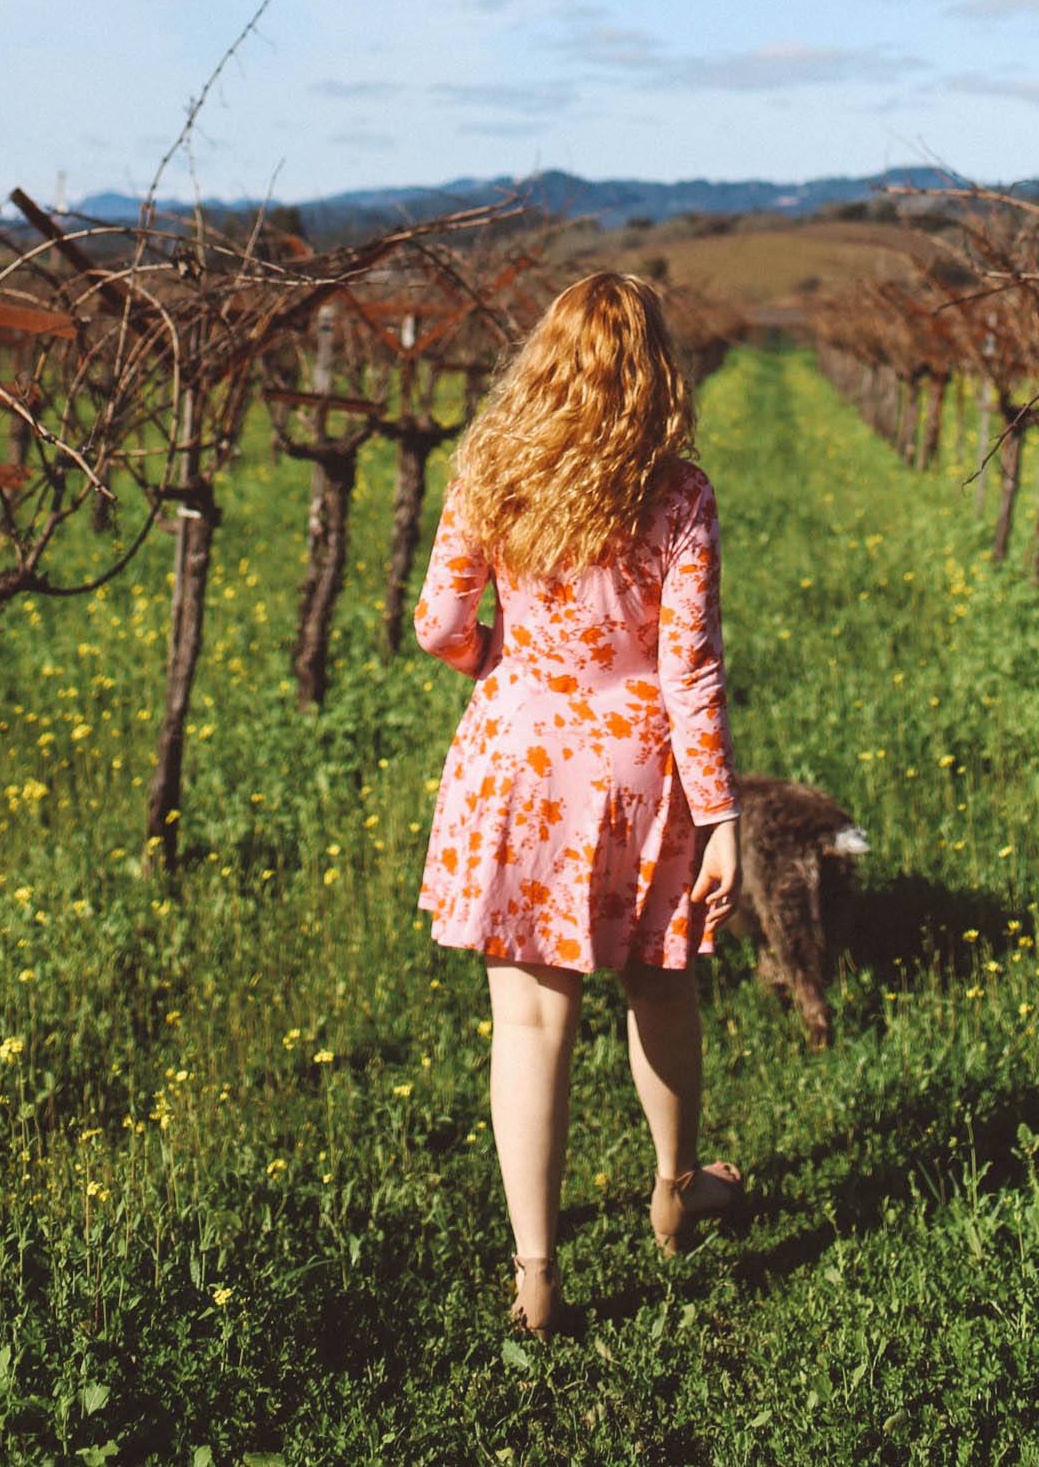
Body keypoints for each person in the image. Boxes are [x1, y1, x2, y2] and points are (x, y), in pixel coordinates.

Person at [415, 271, 744, 1333]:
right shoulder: (675, 492)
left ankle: (537, 1275)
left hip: (515, 756)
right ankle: (675, 1188)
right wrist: (722, 816)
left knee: (527, 1021)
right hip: (639, 767)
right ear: (654, 369)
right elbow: (687, 669)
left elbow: (437, 622)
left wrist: (493, 663)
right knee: (662, 985)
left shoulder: (490, 468)